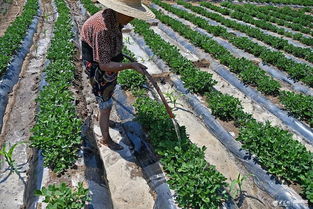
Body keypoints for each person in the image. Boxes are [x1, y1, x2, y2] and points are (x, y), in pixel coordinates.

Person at [80, 0, 155, 150]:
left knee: (107, 94)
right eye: (130, 14)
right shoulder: (102, 29)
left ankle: (103, 118)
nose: (132, 18)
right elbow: (104, 65)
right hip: (98, 67)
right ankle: (106, 139)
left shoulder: (113, 18)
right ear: (120, 11)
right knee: (105, 103)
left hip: (108, 62)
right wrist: (130, 66)